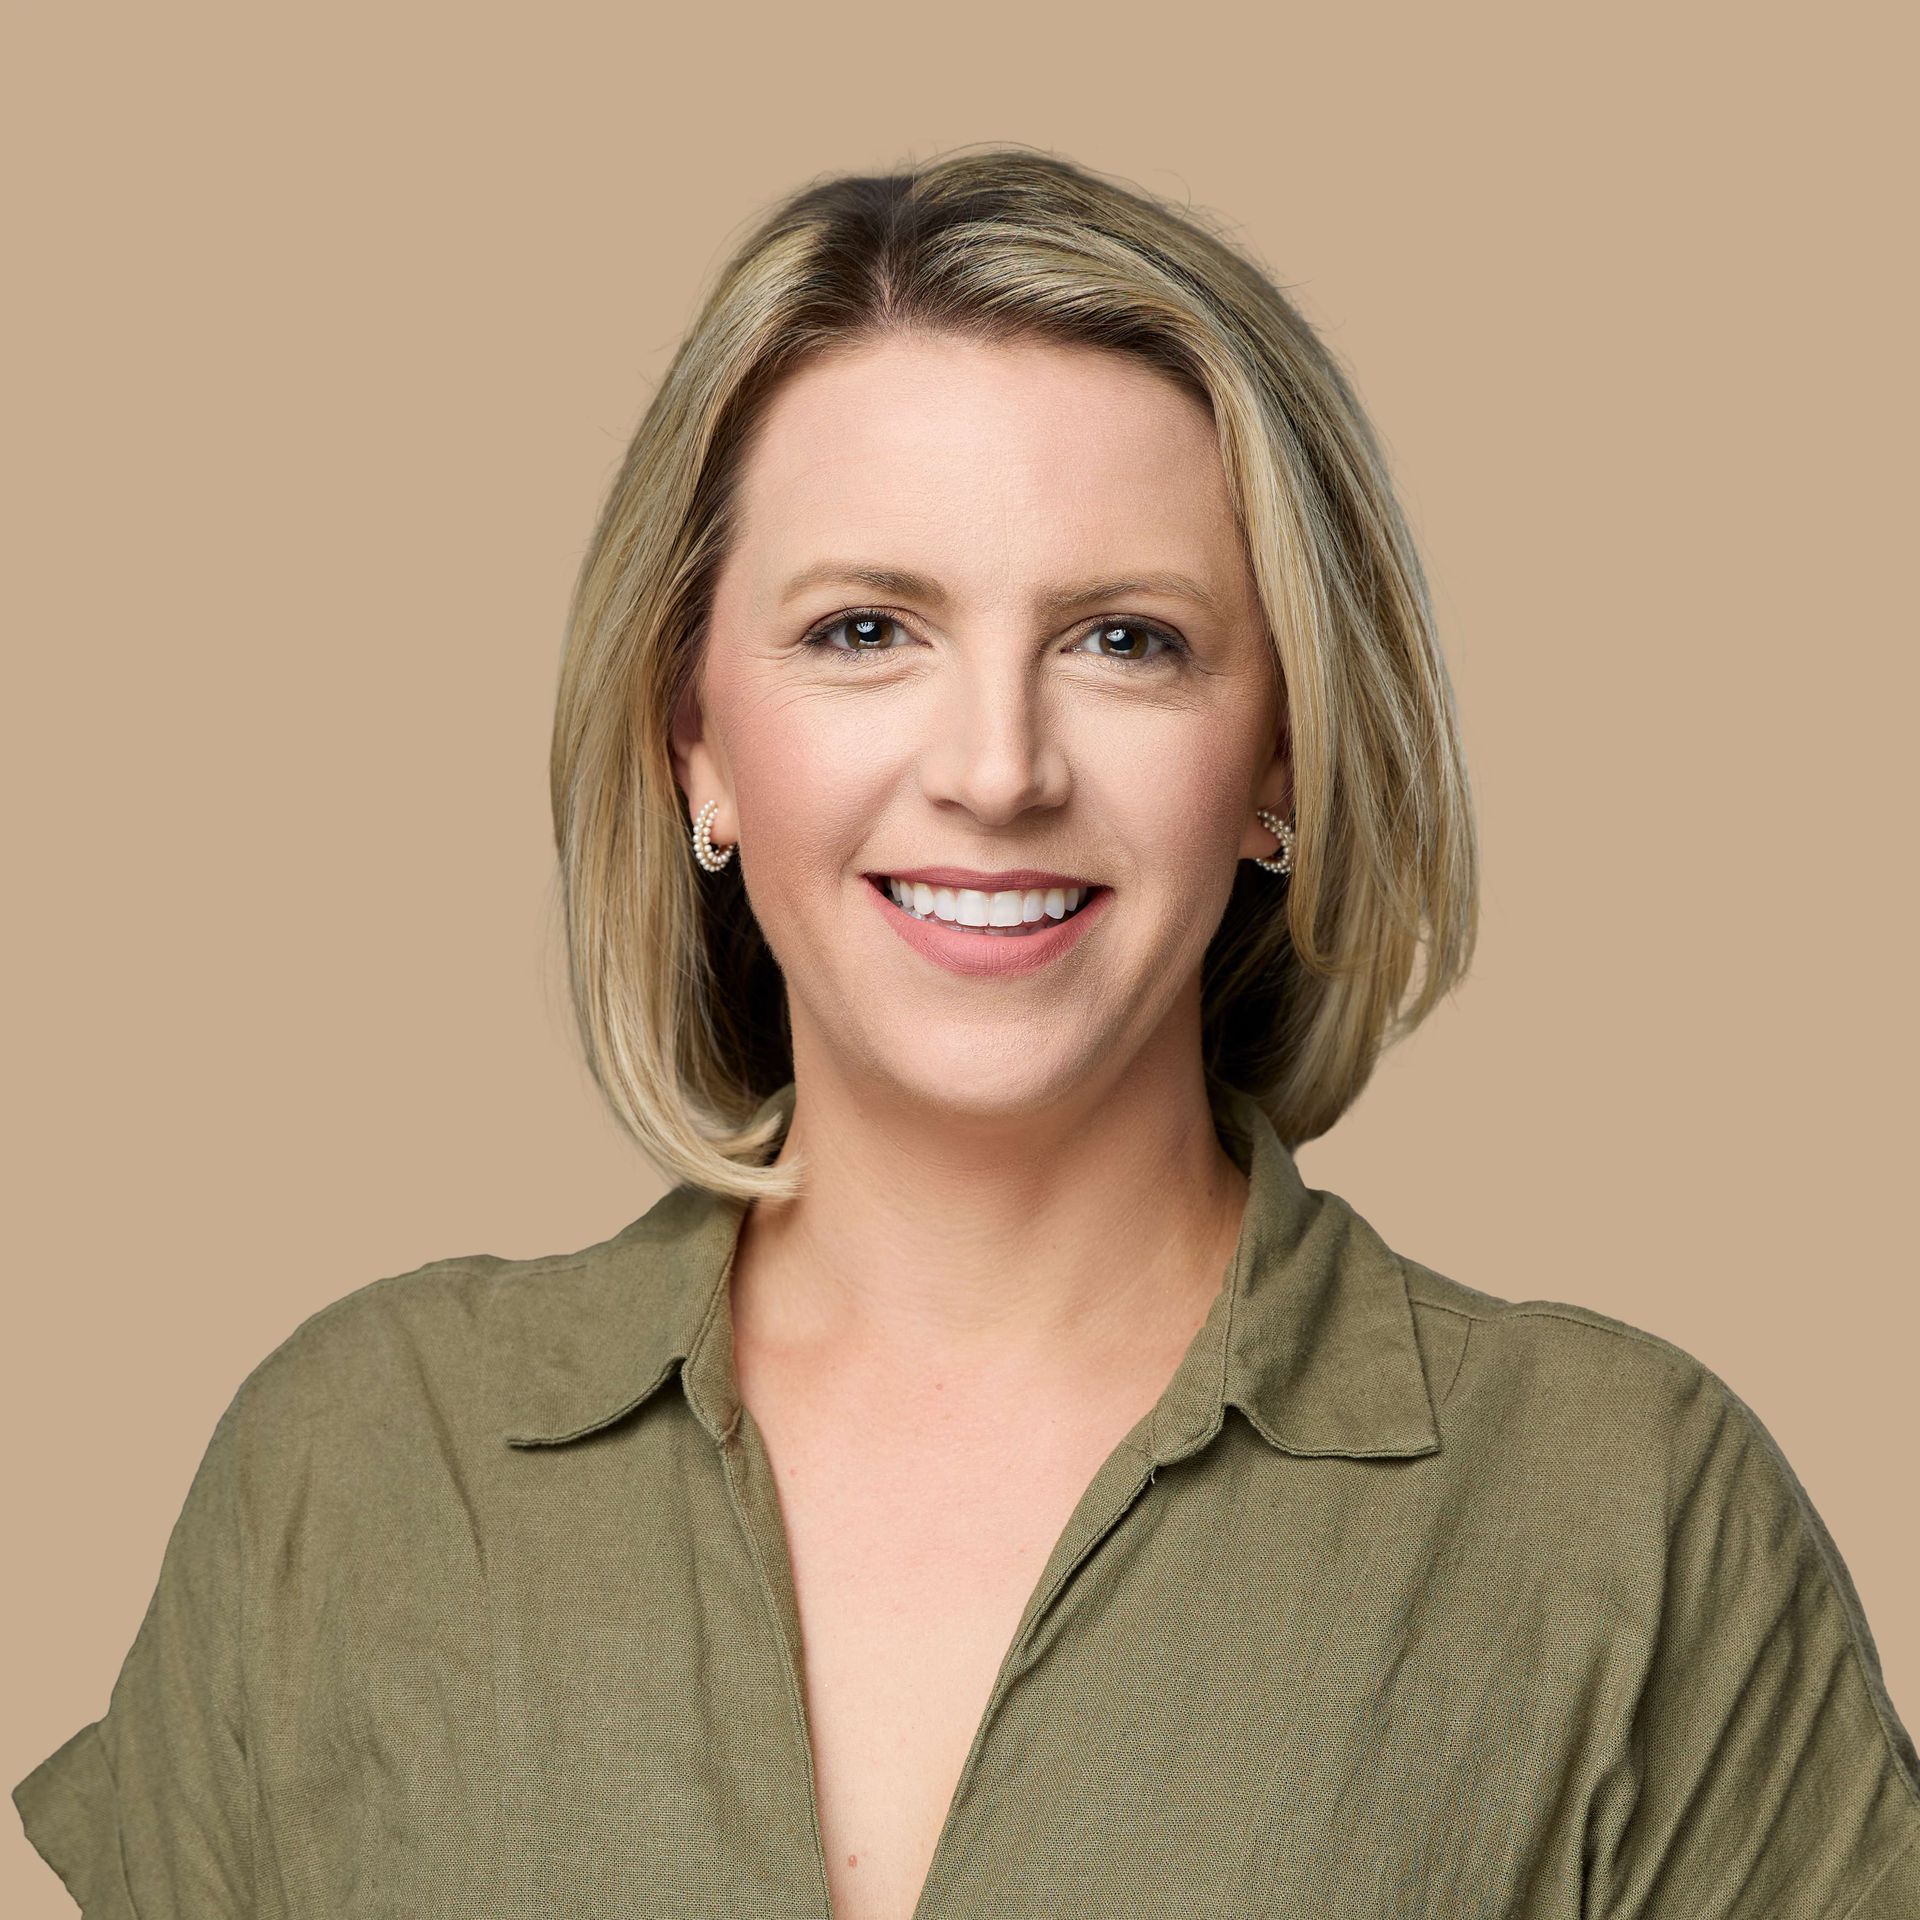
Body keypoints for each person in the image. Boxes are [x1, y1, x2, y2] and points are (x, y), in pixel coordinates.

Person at [15, 147, 1919, 1919]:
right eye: (864, 630)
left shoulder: (1623, 1508)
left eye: (1127, 639)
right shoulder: (360, 1466)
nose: (996, 772)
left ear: (1280, 760)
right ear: (694, 742)